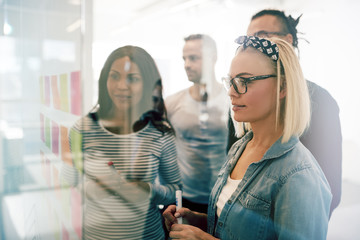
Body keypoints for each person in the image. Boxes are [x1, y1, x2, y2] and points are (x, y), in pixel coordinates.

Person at [163, 36, 332, 240]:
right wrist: (197, 220)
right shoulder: (241, 147)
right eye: (231, 81)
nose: (232, 92)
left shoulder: (299, 177)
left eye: (244, 81)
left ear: (282, 87)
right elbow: (236, 224)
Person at [227, 9, 342, 216]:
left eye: (261, 36)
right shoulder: (239, 103)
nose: (252, 44)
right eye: (249, 39)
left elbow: (329, 187)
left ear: (287, 40)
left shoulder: (321, 102)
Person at [62, 45, 181, 239]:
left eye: (132, 79)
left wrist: (147, 190)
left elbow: (175, 191)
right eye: (114, 76)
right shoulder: (82, 128)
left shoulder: (160, 133)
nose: (121, 86)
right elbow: (69, 183)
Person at [165, 34, 229, 213]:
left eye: (193, 58)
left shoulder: (232, 102)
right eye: (184, 59)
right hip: (183, 198)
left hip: (223, 198)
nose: (186, 64)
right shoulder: (171, 103)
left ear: (213, 58)